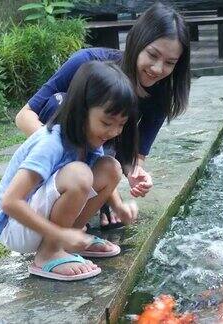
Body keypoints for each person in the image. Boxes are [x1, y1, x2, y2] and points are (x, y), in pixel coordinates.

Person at [14, 2, 191, 229]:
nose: (157, 69)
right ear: (137, 42)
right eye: (153, 55)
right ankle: (65, 204)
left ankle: (88, 206)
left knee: (111, 141)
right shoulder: (87, 63)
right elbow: (24, 116)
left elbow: (135, 154)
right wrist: (58, 148)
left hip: (98, 158)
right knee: (60, 103)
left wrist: (135, 172)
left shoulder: (160, 95)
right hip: (57, 151)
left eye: (169, 63)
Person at [0, 62, 139, 281]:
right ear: (82, 110)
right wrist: (58, 234)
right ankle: (49, 253)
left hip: (42, 222)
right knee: (80, 174)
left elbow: (104, 176)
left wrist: (119, 207)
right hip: (15, 227)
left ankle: (71, 241)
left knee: (110, 168)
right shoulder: (52, 142)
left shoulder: (90, 139)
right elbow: (10, 202)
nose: (114, 131)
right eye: (107, 122)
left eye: (121, 124)